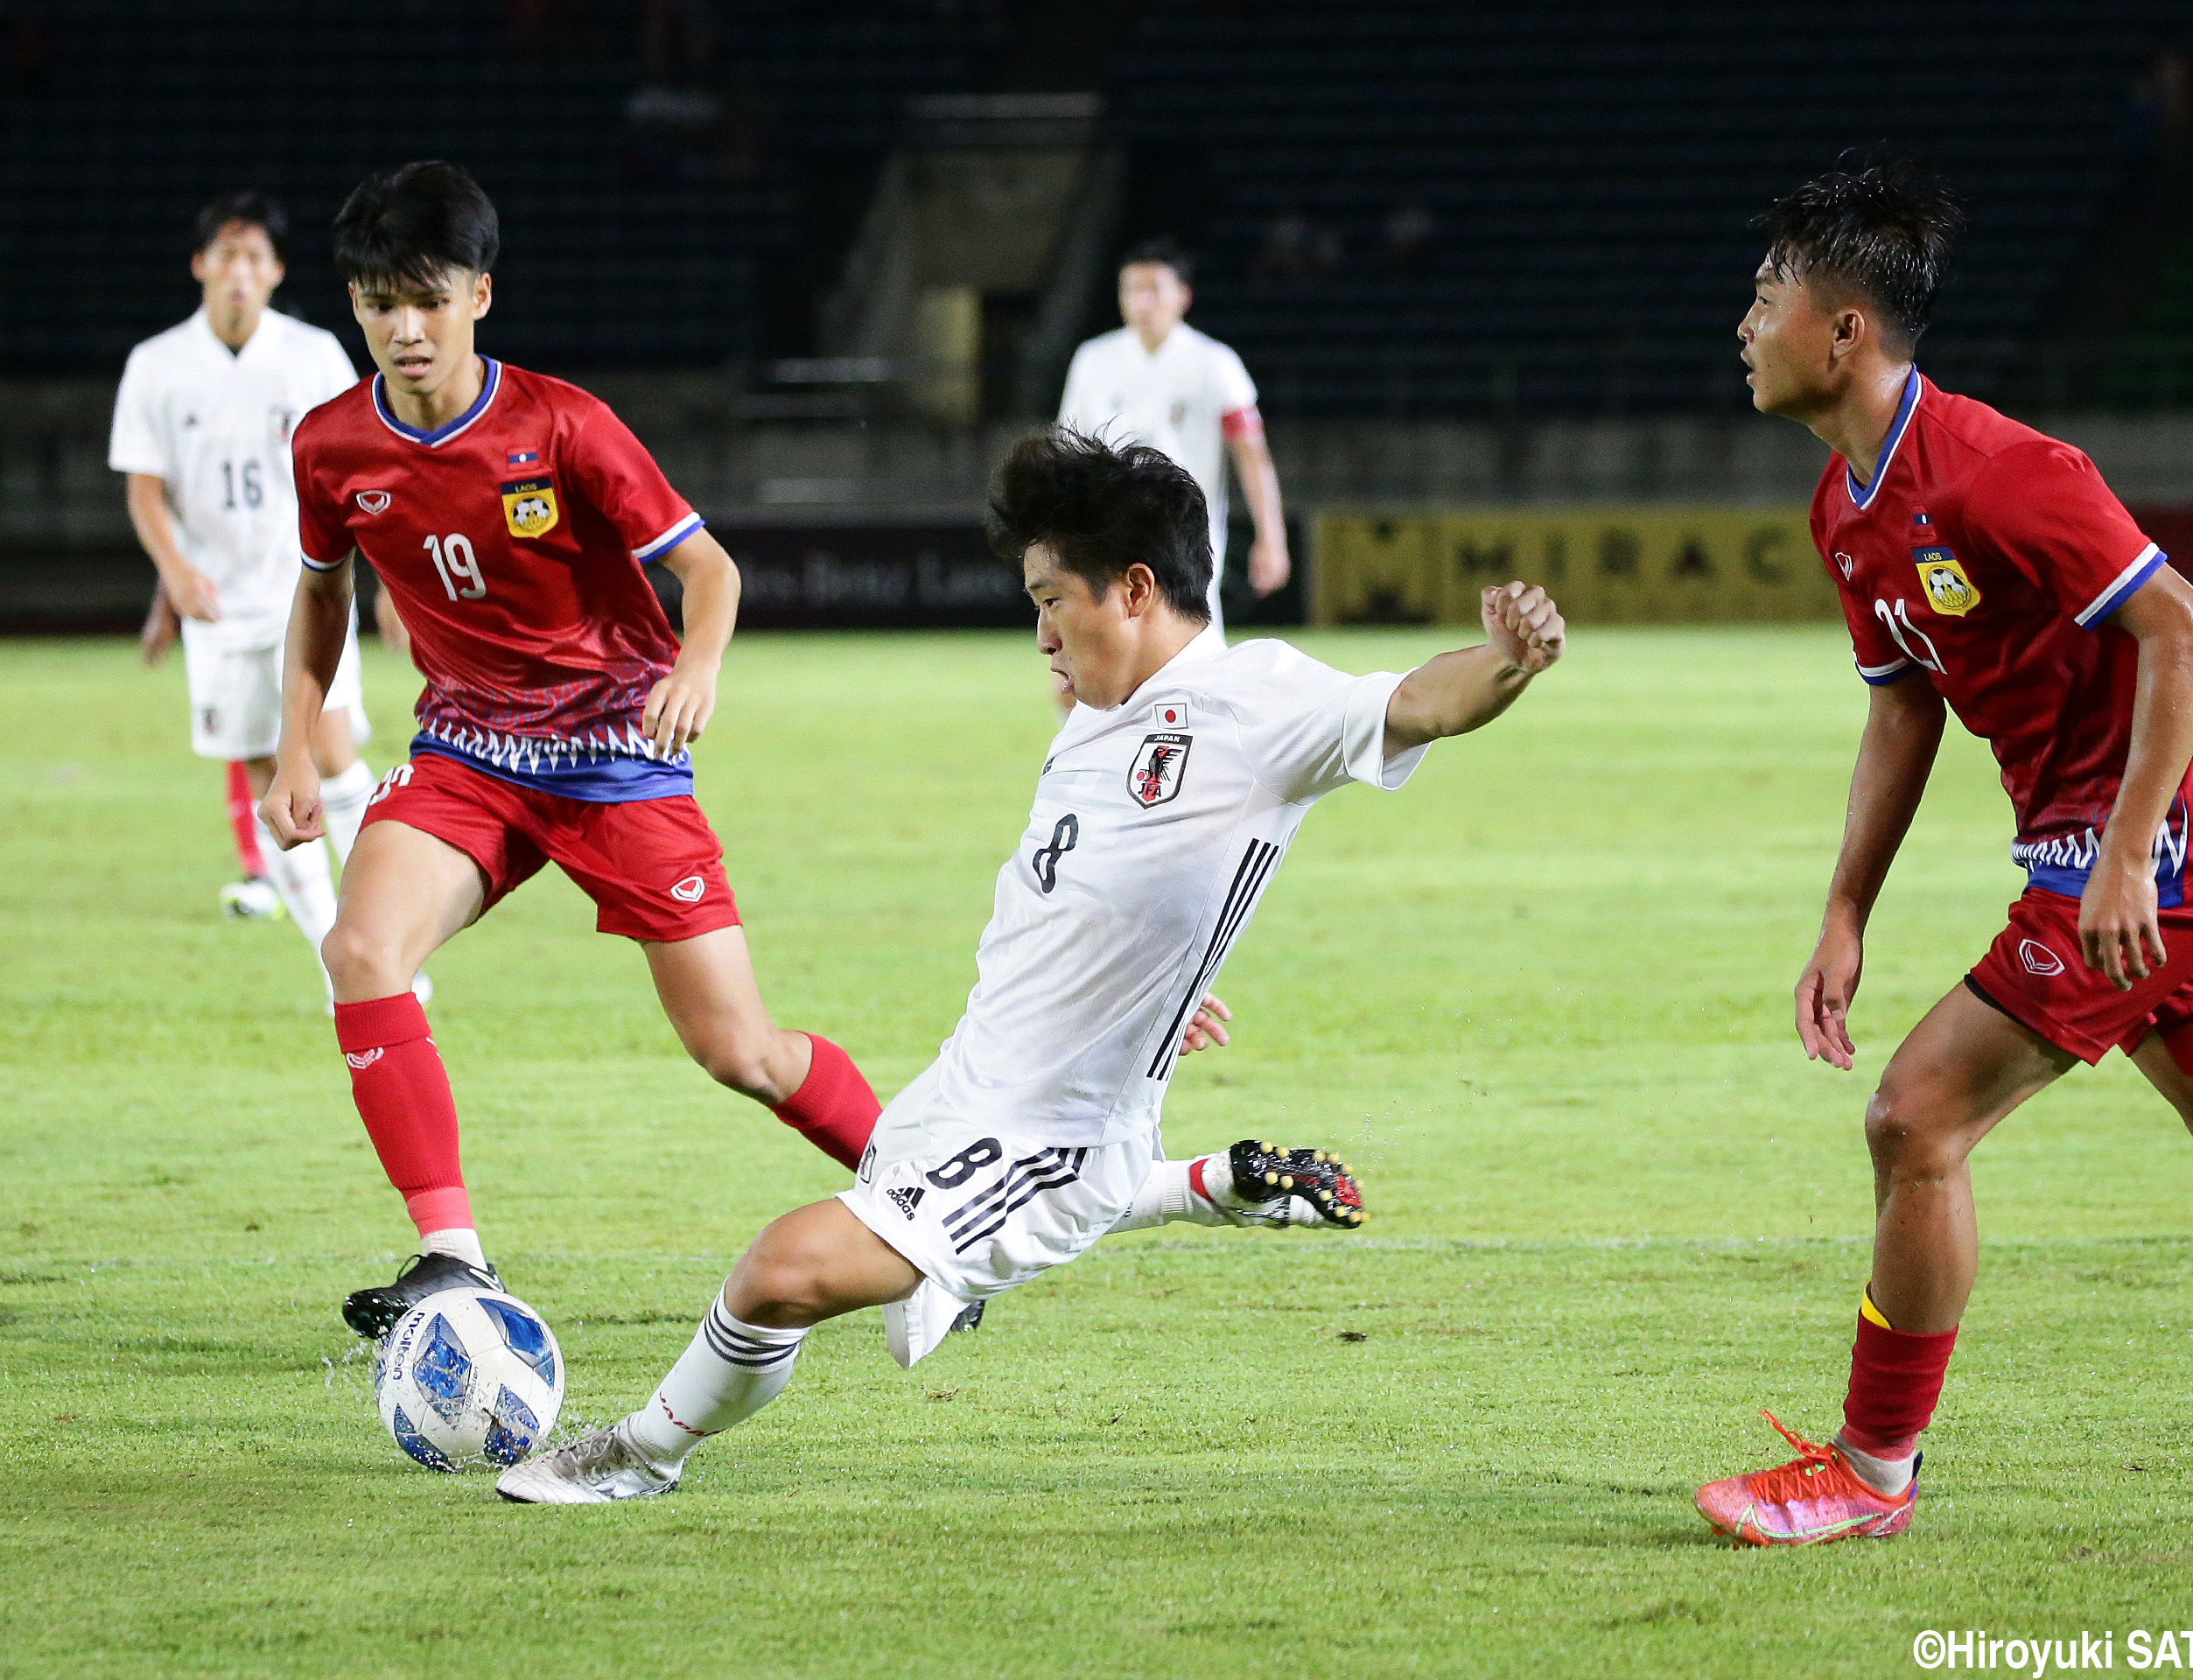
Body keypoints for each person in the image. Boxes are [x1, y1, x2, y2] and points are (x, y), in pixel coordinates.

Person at [494, 428, 1566, 1503]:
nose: (1040, 632)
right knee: (820, 1271)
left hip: (1048, 1134)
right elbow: (1097, 893)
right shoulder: (1097, 721)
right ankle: (1203, 1187)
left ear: (1135, 588)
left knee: (783, 1273)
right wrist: (1155, 983)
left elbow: (1420, 700)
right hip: (964, 1083)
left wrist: (1508, 659)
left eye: (1053, 600)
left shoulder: (1258, 702)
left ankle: (638, 1453)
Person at [1696, 161, 2193, 1546]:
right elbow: (1904, 703)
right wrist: (1843, 912)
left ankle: (1870, 1476)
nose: (1742, 322)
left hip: (2149, 843)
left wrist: (2124, 860)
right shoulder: (1848, 507)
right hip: (2121, 844)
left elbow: (2184, 628)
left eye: (1765, 296)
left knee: (1916, 1117)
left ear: (1843, 334)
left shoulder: (2004, 471)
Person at [265, 161, 887, 1340]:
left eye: (429, 299)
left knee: (739, 1051)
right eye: (379, 302)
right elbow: (319, 596)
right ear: (355, 306)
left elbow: (708, 570)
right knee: (360, 947)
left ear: (480, 297)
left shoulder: (563, 423)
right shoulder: (332, 446)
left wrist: (696, 667)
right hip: (467, 753)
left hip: (616, 756)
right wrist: (298, 744)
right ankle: (452, 1257)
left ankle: (923, 1198)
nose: (405, 328)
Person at [109, 192, 381, 983]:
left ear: (276, 273)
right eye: (226, 255)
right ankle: (338, 961)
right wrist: (175, 573)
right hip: (220, 609)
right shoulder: (157, 365)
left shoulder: (313, 354)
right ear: (200, 265)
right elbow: (145, 489)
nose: (239, 272)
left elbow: (361, 464)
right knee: (267, 774)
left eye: (255, 258)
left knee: (330, 752)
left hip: (310, 588)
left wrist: (388, 576)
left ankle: (378, 938)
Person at [1058, 239, 1288, 635]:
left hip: (1186, 542)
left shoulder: (1215, 364)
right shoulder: (1093, 361)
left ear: (1183, 295)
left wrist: (1271, 536)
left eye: (1154, 289)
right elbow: (1069, 456)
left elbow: (1251, 453)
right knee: (1102, 661)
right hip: (1107, 537)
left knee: (1195, 655)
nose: (1142, 302)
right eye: (1131, 290)